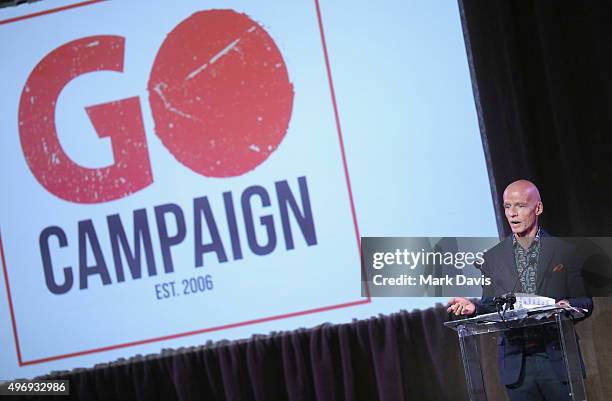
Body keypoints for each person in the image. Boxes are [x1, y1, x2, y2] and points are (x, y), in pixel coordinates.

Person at [447, 179, 592, 401]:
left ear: (538, 208)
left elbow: (584, 302)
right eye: (507, 207)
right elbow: (490, 303)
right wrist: (473, 307)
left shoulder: (565, 252)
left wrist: (566, 307)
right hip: (517, 366)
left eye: (520, 206)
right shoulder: (493, 258)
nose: (512, 214)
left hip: (556, 358)